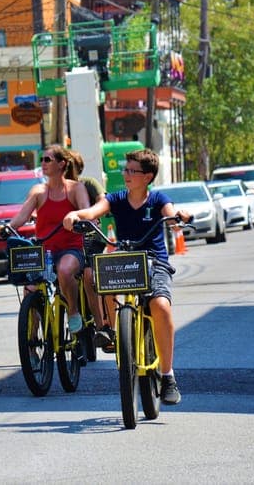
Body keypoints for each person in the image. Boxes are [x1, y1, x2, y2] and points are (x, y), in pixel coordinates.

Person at [62, 149, 192, 405]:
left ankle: (168, 376)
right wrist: (75, 215)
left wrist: (179, 218)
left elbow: (172, 216)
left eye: (133, 171)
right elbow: (94, 211)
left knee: (160, 306)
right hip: (125, 259)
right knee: (104, 274)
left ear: (148, 177)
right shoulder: (117, 198)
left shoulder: (158, 199)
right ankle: (111, 331)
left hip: (154, 261)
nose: (126, 174)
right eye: (126, 169)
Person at [2, 144, 90, 334]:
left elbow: (86, 210)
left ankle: (73, 312)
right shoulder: (39, 191)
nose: (43, 163)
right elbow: (22, 216)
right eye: (42, 159)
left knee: (64, 271)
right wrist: (7, 228)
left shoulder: (76, 188)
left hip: (70, 249)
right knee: (30, 289)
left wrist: (79, 218)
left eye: (47, 159)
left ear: (62, 164)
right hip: (44, 251)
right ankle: (32, 338)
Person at [64, 149, 113, 352]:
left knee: (89, 275)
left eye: (69, 166)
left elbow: (103, 200)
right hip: (65, 239)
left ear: (78, 167)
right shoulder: (54, 189)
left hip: (90, 236)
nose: (66, 170)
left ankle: (101, 328)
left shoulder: (89, 183)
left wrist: (94, 213)